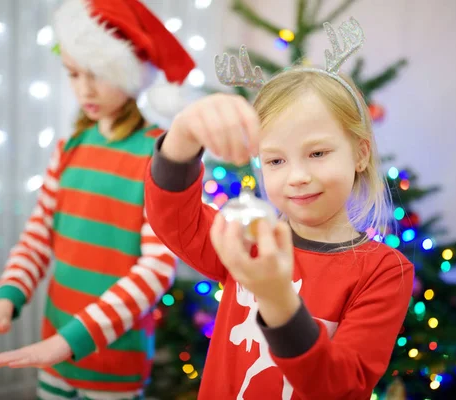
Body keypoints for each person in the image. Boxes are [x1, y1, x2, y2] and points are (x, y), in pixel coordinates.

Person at [143, 18, 414, 400]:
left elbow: (341, 387)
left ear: (360, 152)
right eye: (275, 161)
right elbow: (174, 219)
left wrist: (277, 299)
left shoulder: (384, 273)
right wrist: (183, 136)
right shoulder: (249, 239)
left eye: (317, 153)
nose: (297, 177)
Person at [0, 0, 195, 399]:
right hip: (51, 354)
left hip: (113, 365)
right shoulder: (70, 147)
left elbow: (155, 270)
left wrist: (72, 338)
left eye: (99, 74)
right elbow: (38, 237)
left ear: (129, 73)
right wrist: (5, 302)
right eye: (74, 74)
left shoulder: (157, 157)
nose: (84, 89)